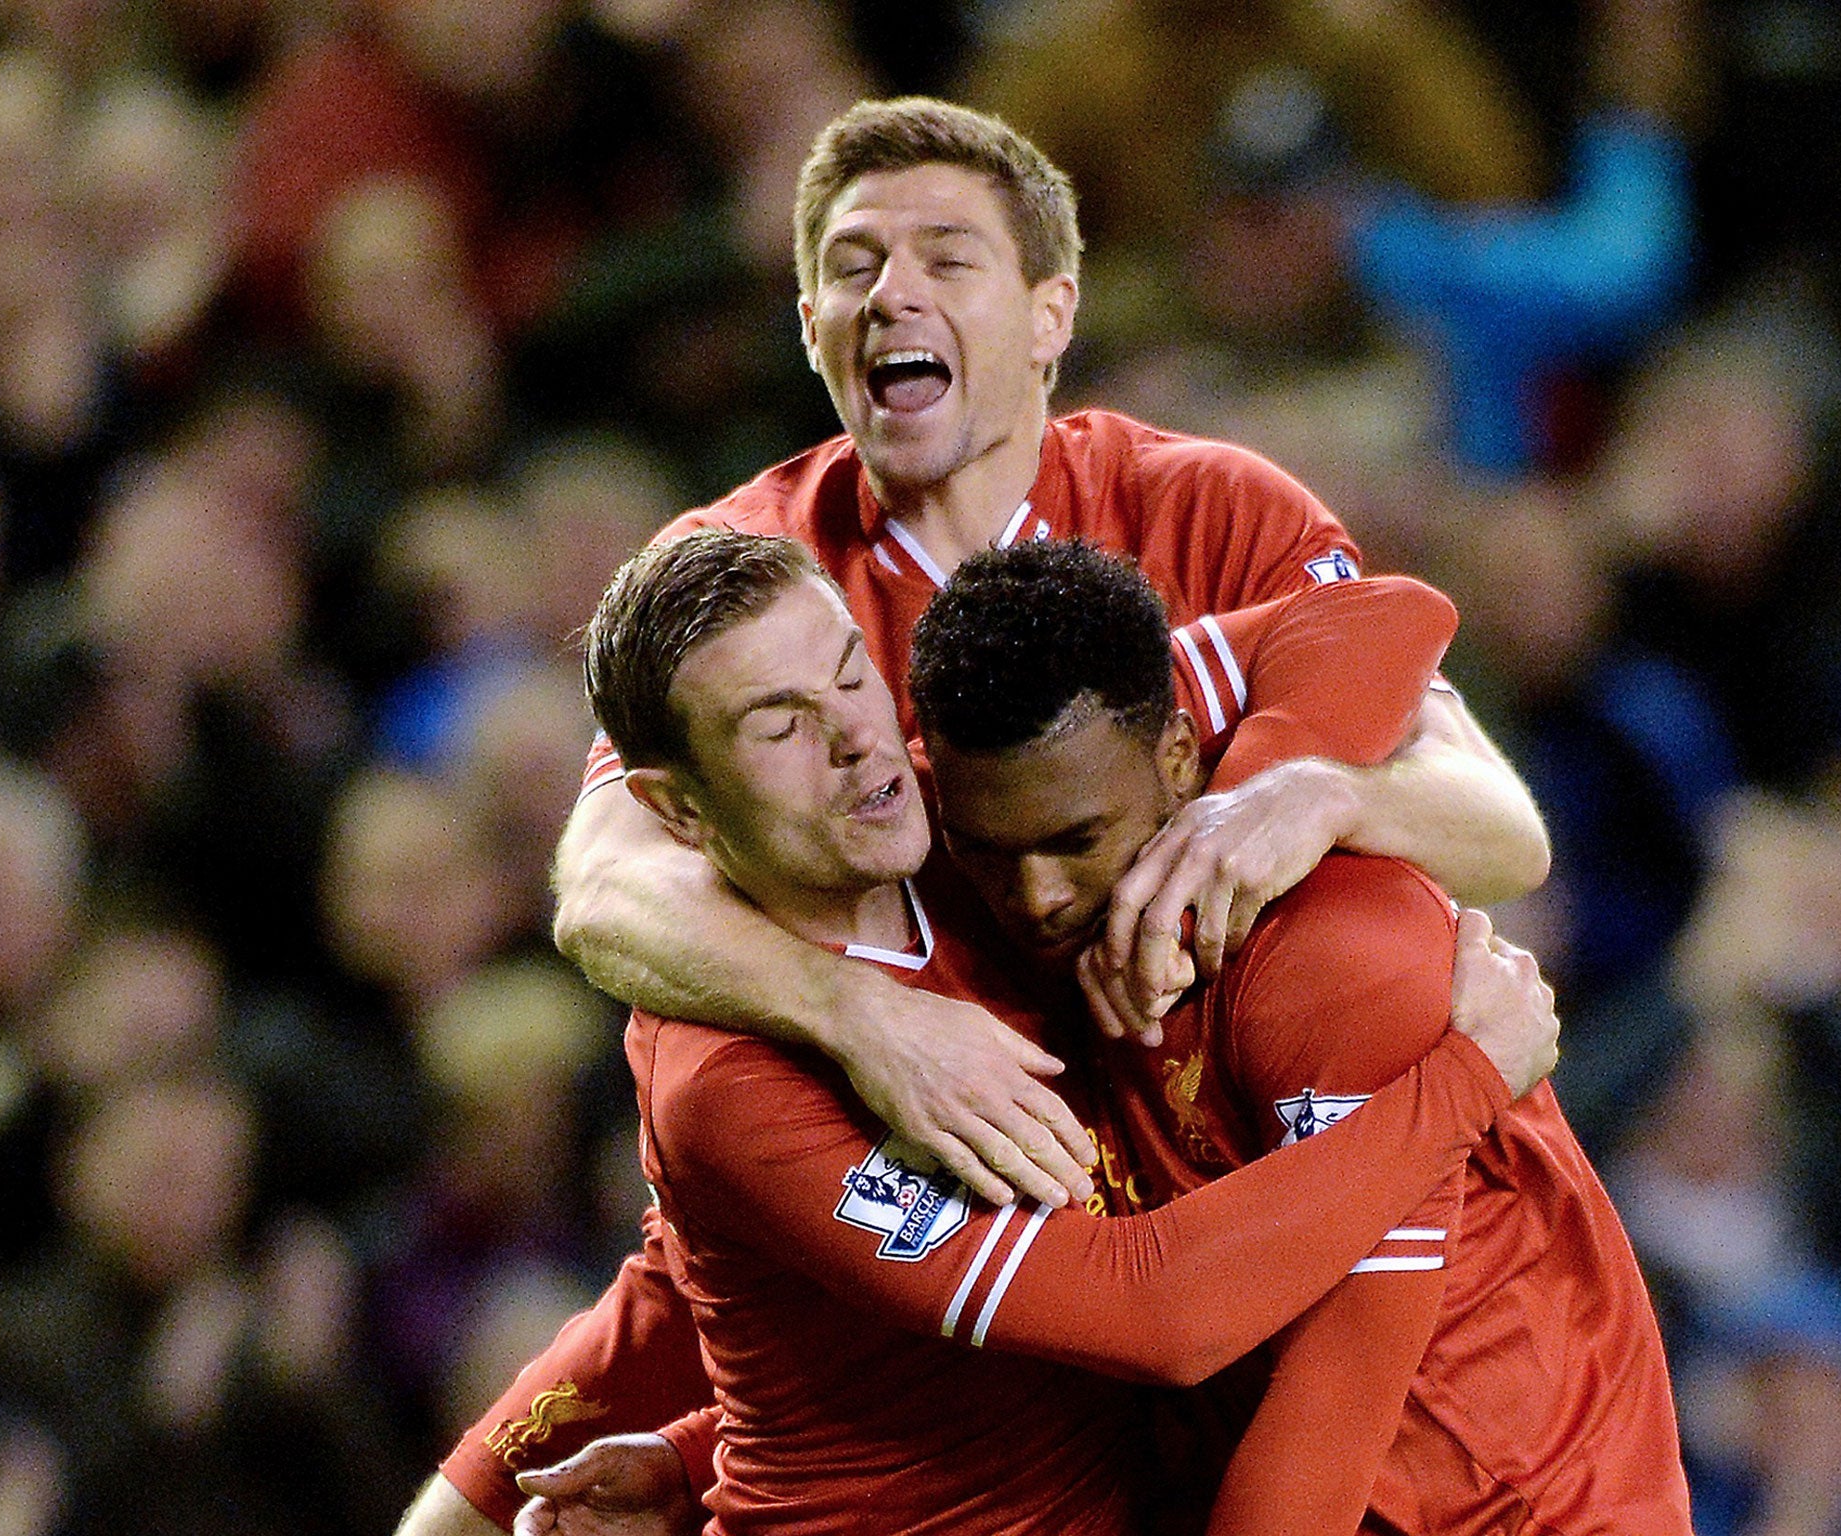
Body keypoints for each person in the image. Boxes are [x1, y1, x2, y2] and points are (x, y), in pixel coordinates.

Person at [406, 94, 1550, 1534]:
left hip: (1244, 1165)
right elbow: (602, 891)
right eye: (853, 262)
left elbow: (1501, 827)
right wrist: (862, 1022)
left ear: (1050, 309)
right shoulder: (751, 578)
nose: (894, 292)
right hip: (1026, 1214)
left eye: (946, 256)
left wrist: (1317, 795)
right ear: (809, 321)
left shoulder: (1205, 513)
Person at [502, 528, 1556, 1536]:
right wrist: (1460, 1083)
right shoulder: (731, 1089)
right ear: (678, 812)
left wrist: (1249, 817)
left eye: (848, 674)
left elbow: (1381, 616)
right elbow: (1159, 1314)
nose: (853, 738)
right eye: (779, 726)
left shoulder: (972, 817)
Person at [905, 540, 1690, 1535]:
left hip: (1511, 1508)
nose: (1036, 897)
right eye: (988, 851)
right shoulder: (975, 799)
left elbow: (1339, 1396)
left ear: (1179, 757)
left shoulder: (1339, 960)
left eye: (1075, 841)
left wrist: (1282, 796)